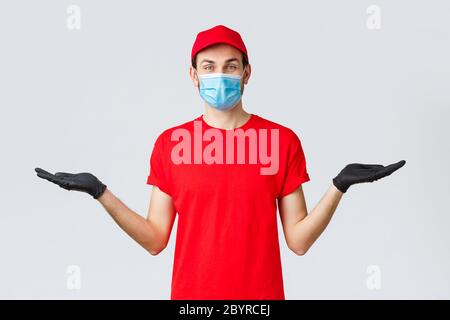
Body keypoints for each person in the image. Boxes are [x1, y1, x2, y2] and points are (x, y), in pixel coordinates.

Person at [35, 25, 406, 300]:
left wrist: (337, 187)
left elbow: (298, 241)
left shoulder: (281, 141)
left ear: (247, 73)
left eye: (231, 66)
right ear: (193, 76)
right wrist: (101, 193)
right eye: (209, 67)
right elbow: (155, 239)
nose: (220, 75)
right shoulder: (171, 144)